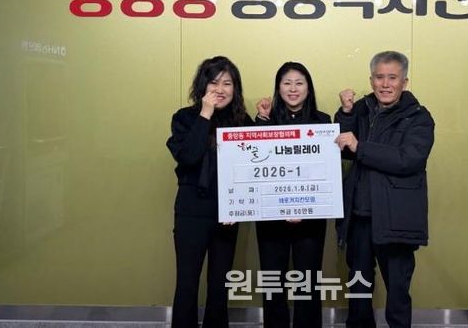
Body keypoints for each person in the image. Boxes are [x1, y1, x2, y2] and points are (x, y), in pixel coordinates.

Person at [334, 51, 435, 328]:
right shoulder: (362, 108)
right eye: (379, 77)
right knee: (358, 286)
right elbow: (345, 147)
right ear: (371, 80)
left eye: (393, 78)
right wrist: (346, 113)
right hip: (359, 216)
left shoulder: (418, 117)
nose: (385, 84)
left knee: (398, 290)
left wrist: (361, 146)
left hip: (396, 218)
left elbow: (408, 159)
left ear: (405, 82)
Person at [166, 56, 253, 328]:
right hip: (192, 212)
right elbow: (189, 157)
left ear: (235, 88)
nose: (220, 89)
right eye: (214, 83)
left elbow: (253, 168)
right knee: (187, 283)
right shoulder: (184, 118)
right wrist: (205, 114)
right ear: (203, 86)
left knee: (220, 285)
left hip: (228, 214)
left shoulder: (242, 121)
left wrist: (238, 206)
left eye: (227, 83)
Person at [254, 61, 331, 328]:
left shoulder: (323, 122)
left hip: (310, 217)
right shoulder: (266, 120)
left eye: (299, 83)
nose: (293, 88)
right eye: (287, 83)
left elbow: (326, 170)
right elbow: (253, 166)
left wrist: (301, 207)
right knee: (273, 281)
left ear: (308, 88)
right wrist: (261, 120)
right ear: (278, 88)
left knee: (308, 282)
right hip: (270, 217)